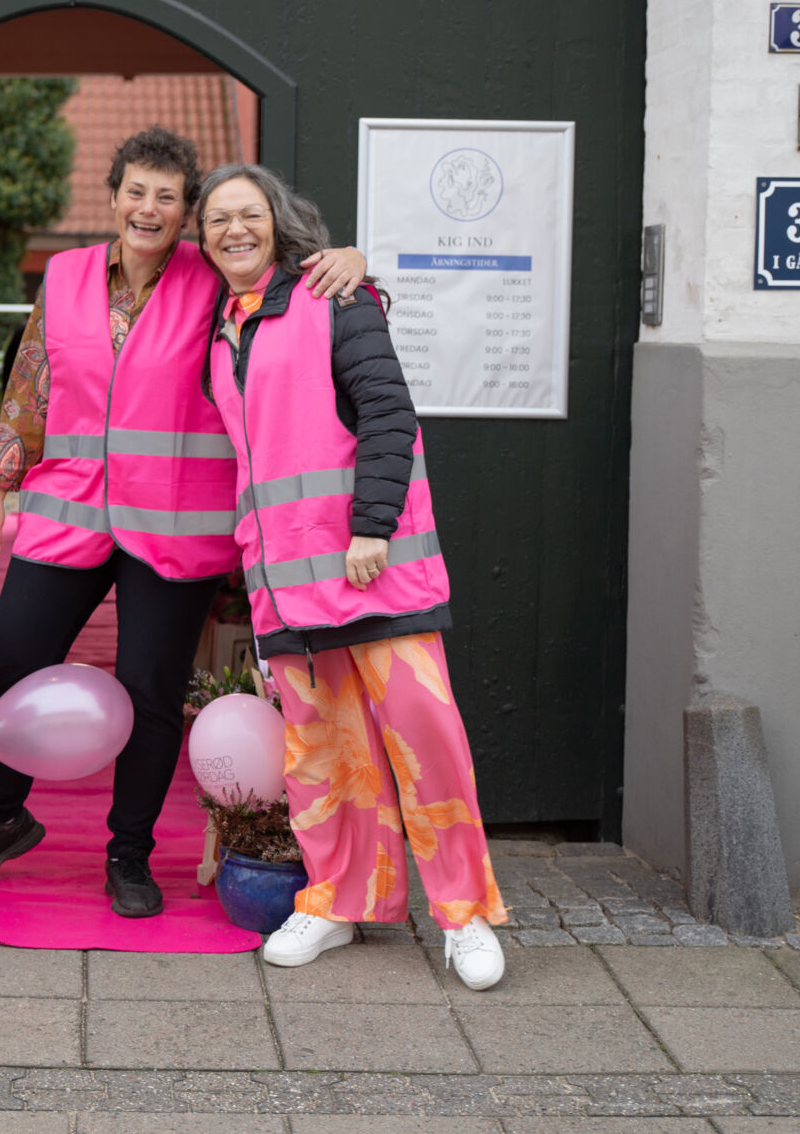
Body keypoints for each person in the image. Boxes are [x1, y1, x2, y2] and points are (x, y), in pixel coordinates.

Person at [0, 126, 369, 917]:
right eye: (136, 192)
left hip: (174, 519)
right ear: (113, 198)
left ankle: (128, 853)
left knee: (150, 687)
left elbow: (289, 284)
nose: (149, 208)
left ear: (186, 214)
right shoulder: (66, 276)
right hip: (67, 509)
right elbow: (31, 379)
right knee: (14, 662)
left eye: (167, 198)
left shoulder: (213, 277)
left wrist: (347, 261)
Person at [197, 162, 507, 984]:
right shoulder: (222, 331)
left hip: (373, 573)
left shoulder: (337, 296)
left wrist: (372, 524)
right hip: (289, 588)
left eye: (249, 213)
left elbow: (388, 412)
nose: (234, 229)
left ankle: (465, 915)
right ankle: (338, 899)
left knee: (426, 744)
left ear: (279, 220)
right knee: (322, 756)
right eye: (217, 219)